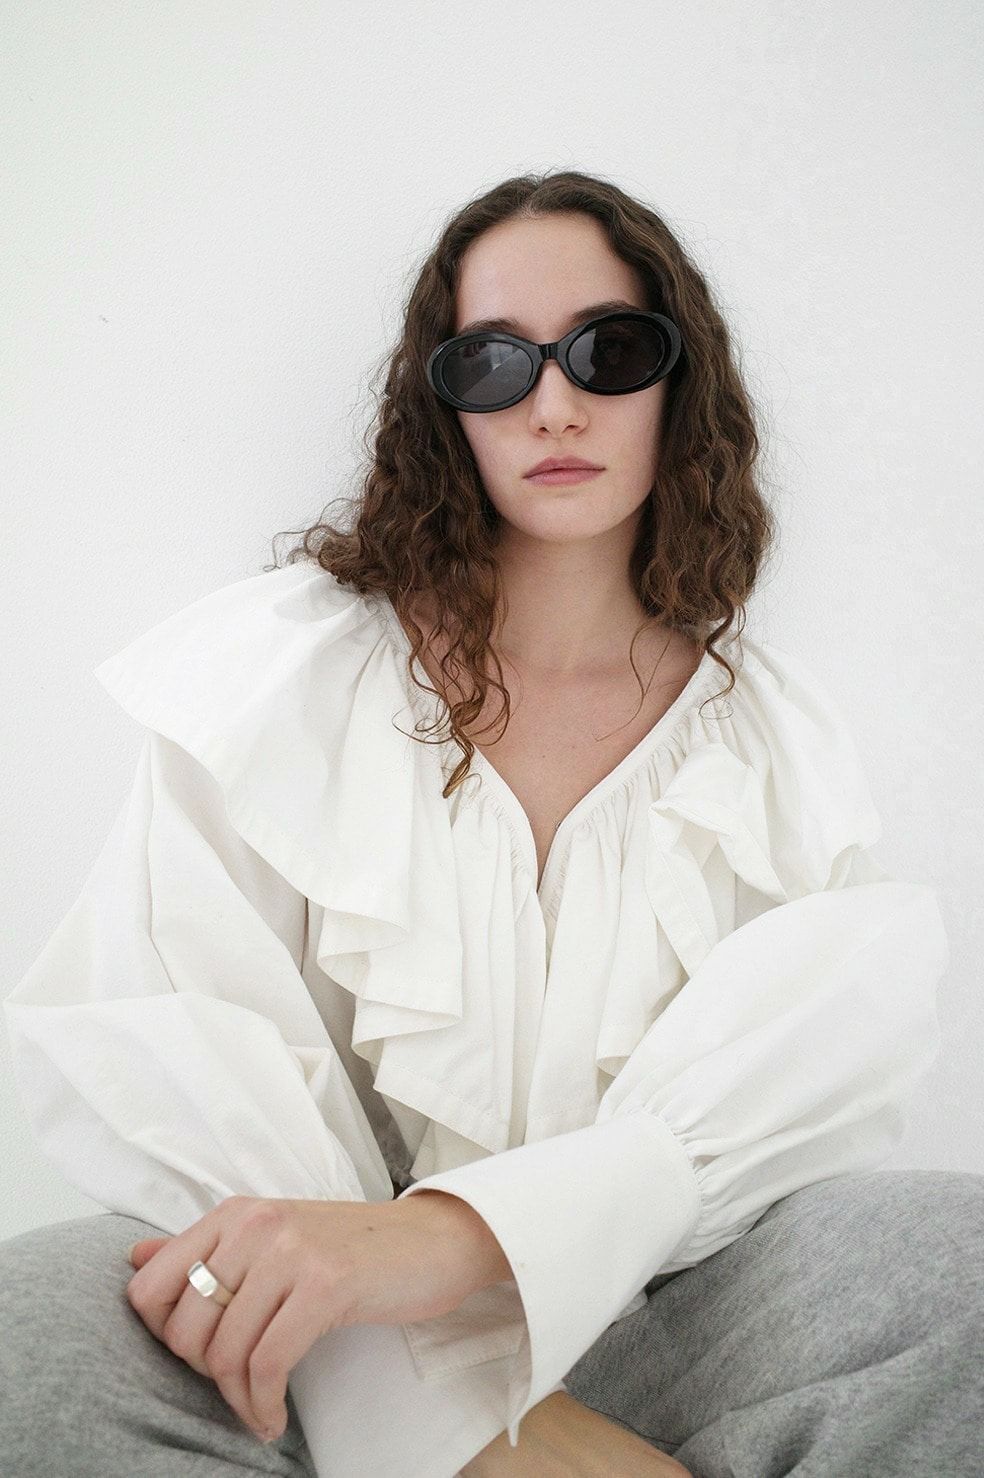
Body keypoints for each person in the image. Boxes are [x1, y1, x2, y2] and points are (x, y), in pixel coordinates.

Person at [2, 169, 981, 1478]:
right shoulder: (279, 680)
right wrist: (451, 1420)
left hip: (660, 1334)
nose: (554, 405)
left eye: (609, 351)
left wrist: (457, 1240)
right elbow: (173, 1042)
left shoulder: (769, 749)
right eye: (495, 363)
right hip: (311, 1347)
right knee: (33, 1325)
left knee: (960, 1268)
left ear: (678, 383)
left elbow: (788, 1087)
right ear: (442, 403)